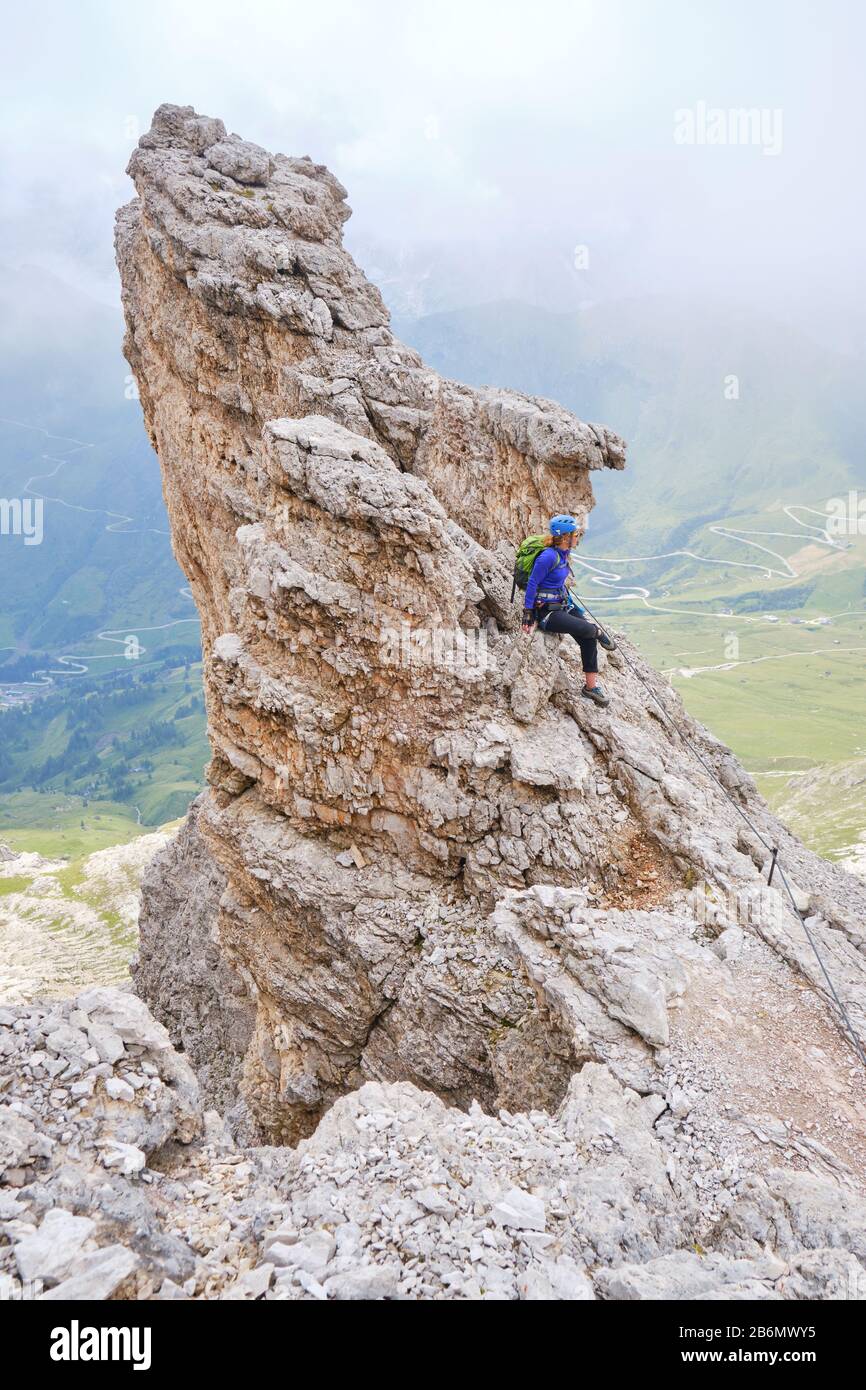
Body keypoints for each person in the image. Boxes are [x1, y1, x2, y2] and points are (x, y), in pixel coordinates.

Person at [521, 513, 616, 706]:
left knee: (587, 637)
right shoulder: (547, 556)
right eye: (575, 534)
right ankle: (599, 633)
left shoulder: (563, 554)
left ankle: (590, 688)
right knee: (591, 630)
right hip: (547, 613)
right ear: (565, 537)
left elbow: (557, 582)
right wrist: (528, 613)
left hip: (563, 605)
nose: (577, 537)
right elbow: (532, 583)